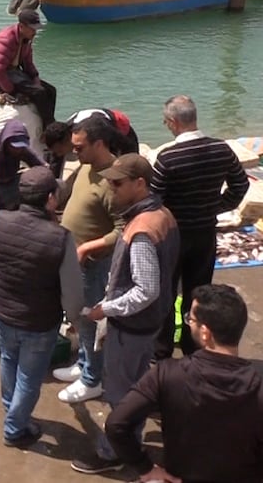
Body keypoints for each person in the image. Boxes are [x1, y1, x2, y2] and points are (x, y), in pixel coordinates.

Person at [70, 153, 179, 475]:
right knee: (136, 384)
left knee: (120, 394)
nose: (110, 188)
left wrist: (106, 309)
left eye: (117, 184)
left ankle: (114, 452)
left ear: (140, 184)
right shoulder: (163, 214)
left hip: (132, 325)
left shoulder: (142, 230)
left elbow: (146, 290)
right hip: (151, 323)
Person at [105, 283, 263, 483]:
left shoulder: (167, 374)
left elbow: (116, 424)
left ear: (205, 333)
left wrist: (144, 467)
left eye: (191, 319)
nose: (189, 322)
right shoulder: (259, 380)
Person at [0, 166, 84, 448]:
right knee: (29, 376)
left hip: (2, 312)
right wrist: (75, 318)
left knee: (8, 361)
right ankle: (14, 428)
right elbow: (72, 291)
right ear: (51, 199)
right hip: (39, 322)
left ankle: (12, 411)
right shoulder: (61, 238)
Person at [151, 95, 250, 360]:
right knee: (198, 290)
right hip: (205, 232)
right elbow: (241, 185)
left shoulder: (168, 157)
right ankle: (194, 347)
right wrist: (215, 206)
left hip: (174, 235)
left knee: (167, 293)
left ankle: (161, 350)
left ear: (173, 122)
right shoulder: (222, 149)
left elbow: (153, 201)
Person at [53, 115, 126, 405]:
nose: (75, 153)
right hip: (73, 259)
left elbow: (124, 230)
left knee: (90, 320)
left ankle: (92, 380)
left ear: (99, 144)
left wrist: (87, 248)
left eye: (80, 147)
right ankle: (84, 363)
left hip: (93, 264)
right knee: (78, 318)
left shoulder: (115, 179)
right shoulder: (86, 166)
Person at [0, 9, 58, 126]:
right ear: (22, 26)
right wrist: (11, 91)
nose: (35, 32)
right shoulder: (5, 39)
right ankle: (48, 127)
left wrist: (35, 78)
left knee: (51, 90)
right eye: (32, 29)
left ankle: (49, 121)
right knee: (39, 93)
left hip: (14, 73)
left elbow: (28, 63)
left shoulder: (26, 40)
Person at [0, 119, 46, 211]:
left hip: (11, 180)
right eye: (14, 146)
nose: (18, 150)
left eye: (21, 147)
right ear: (6, 142)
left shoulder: (22, 150)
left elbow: (41, 165)